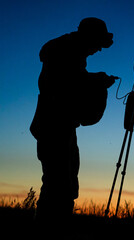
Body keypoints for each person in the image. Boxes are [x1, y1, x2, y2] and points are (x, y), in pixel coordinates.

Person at [30, 17, 117, 223]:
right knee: (58, 184)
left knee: (64, 183)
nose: (99, 50)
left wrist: (95, 80)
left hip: (60, 125)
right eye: (98, 43)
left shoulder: (67, 53)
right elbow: (67, 84)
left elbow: (74, 79)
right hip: (54, 126)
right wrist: (99, 81)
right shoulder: (65, 53)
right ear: (90, 37)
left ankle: (55, 225)